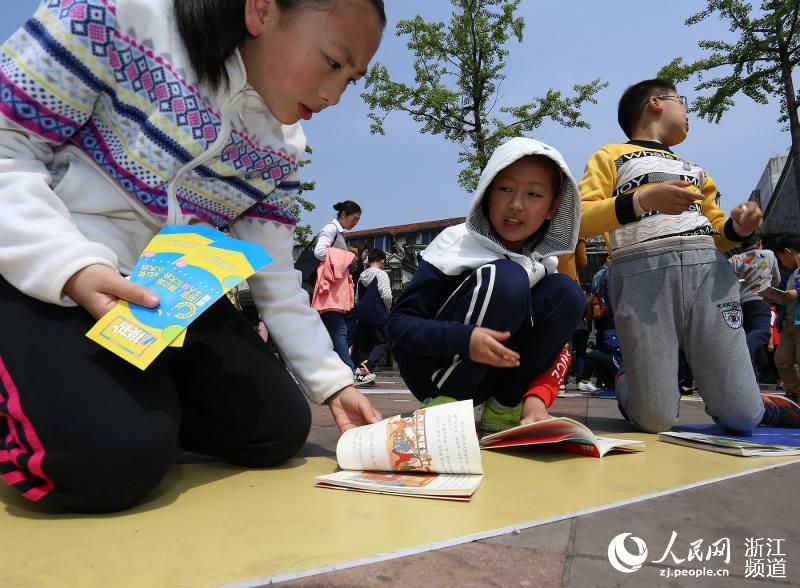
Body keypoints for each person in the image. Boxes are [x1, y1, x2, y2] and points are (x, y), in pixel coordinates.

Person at [0, 0, 386, 512]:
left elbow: (272, 270)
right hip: (42, 265)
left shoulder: (283, 146)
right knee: (102, 460)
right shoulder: (113, 16)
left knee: (277, 431)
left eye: (352, 79)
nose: (335, 94)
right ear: (262, 10)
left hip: (160, 298)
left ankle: (126, 400)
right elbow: (8, 148)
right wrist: (69, 265)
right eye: (333, 62)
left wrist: (333, 382)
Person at [579, 78, 800, 433]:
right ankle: (626, 377)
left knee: (742, 417)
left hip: (709, 274)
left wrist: (739, 229)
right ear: (655, 102)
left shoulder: (696, 171)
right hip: (640, 274)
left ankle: (761, 406)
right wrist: (643, 200)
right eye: (682, 101)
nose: (687, 112)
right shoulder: (609, 156)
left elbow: (717, 234)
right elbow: (582, 219)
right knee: (655, 419)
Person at [388, 137, 584, 432]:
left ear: (553, 207)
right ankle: (447, 403)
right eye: (505, 189)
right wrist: (465, 338)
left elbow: (559, 348)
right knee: (507, 278)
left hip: (494, 379)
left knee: (568, 293)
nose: (516, 205)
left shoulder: (544, 266)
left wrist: (537, 398)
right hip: (436, 371)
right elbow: (398, 325)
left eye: (533, 194)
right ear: (488, 193)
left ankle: (505, 406)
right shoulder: (456, 244)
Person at [313, 200, 375, 385]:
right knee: (339, 330)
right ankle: (349, 371)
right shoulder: (331, 229)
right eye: (354, 219)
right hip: (331, 288)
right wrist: (347, 257)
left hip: (332, 287)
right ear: (343, 215)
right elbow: (319, 252)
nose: (355, 223)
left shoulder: (337, 232)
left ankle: (330, 370)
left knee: (330, 332)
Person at [729, 234, 782, 367]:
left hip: (741, 304)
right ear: (759, 243)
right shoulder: (768, 254)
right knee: (763, 332)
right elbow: (778, 280)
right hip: (760, 300)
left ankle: (751, 382)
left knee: (749, 342)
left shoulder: (736, 259)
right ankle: (737, 348)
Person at [352, 248, 393, 382]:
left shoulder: (361, 276)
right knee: (383, 342)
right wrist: (388, 308)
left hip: (362, 314)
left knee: (364, 345)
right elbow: (386, 295)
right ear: (382, 261)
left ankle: (362, 377)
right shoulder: (381, 274)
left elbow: (357, 298)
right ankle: (367, 367)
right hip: (377, 313)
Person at [773, 234, 800, 403]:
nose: (781, 263)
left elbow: (794, 293)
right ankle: (795, 393)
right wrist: (772, 295)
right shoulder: (791, 275)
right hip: (788, 323)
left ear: (787, 252)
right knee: (782, 360)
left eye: (780, 258)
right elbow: (783, 293)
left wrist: (796, 293)